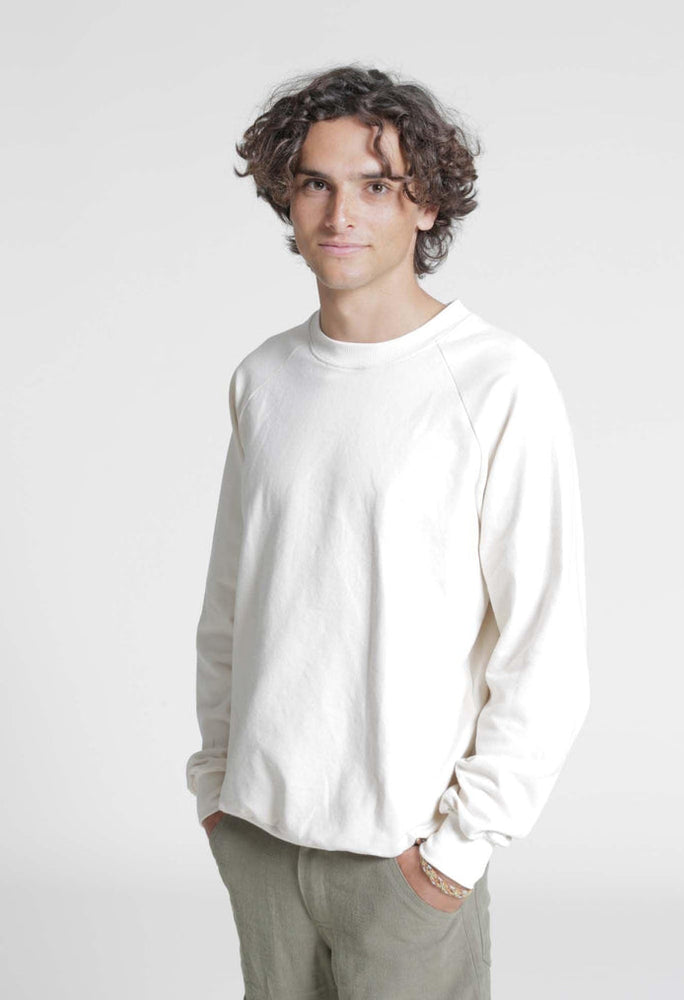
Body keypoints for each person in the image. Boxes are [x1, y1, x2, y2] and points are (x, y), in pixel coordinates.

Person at [185, 63, 590, 1000]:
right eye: (316, 183)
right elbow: (231, 604)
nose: (341, 214)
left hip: (404, 865)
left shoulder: (497, 382)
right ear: (287, 198)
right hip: (260, 843)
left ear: (427, 205)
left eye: (376, 186)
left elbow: (545, 645)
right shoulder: (264, 379)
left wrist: (456, 854)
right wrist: (216, 787)